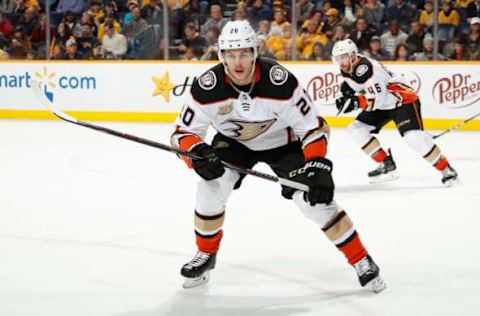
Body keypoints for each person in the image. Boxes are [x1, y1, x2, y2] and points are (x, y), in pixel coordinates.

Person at [170, 20, 387, 293]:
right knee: (210, 188)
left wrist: (317, 164)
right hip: (233, 144)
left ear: (255, 52)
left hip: (284, 145)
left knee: (315, 202)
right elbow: (182, 133)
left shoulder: (279, 81)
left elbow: (313, 126)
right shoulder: (206, 86)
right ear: (221, 56)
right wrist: (197, 153)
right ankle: (206, 254)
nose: (238, 62)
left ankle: (361, 260)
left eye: (245, 54)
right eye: (231, 55)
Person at [332, 39, 457, 186]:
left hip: (402, 101)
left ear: (353, 55)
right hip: (383, 104)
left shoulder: (366, 69)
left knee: (414, 139)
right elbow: (363, 90)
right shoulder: (348, 68)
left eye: (344, 57)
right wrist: (347, 90)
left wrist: (355, 102)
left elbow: (376, 100)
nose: (341, 62)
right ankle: (386, 164)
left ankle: (446, 169)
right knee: (355, 129)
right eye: (338, 58)